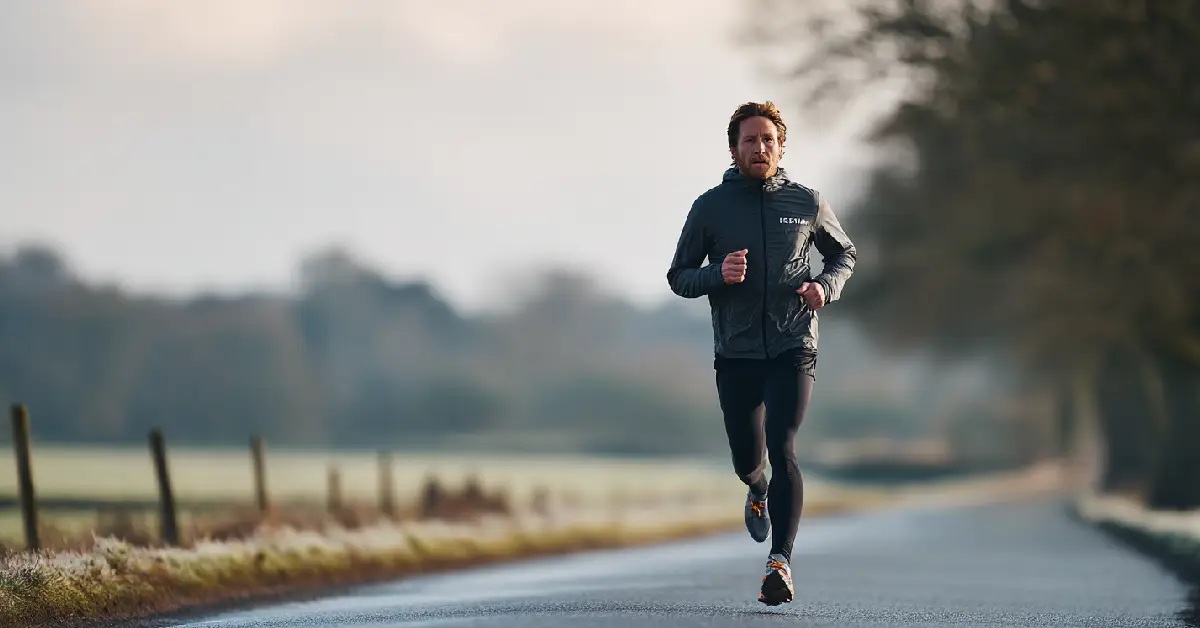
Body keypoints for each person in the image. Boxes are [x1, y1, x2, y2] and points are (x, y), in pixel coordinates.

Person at [666, 101, 856, 606]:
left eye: (768, 139)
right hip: (737, 350)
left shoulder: (807, 201)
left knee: (784, 444)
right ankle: (756, 489)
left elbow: (844, 254)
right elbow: (678, 275)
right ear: (734, 149)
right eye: (750, 140)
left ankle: (781, 562)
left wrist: (825, 286)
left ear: (781, 145)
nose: (760, 147)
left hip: (795, 343)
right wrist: (716, 274)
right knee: (748, 458)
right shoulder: (711, 207)